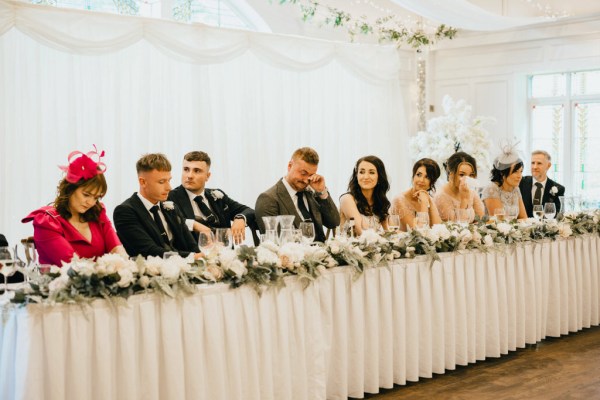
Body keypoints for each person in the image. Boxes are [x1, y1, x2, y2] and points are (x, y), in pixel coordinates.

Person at [22, 148, 127, 266]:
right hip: (59, 284)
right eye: (86, 195)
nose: (91, 203)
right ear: (70, 189)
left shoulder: (98, 213)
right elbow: (73, 266)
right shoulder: (47, 221)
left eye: (96, 197)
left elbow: (118, 252)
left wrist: (125, 268)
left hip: (101, 282)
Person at [113, 153, 202, 259]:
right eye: (161, 182)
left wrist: (202, 258)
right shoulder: (125, 211)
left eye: (169, 180)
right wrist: (193, 257)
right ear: (143, 182)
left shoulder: (171, 207)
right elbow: (149, 251)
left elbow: (191, 245)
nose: (169, 187)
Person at [168, 151, 258, 245]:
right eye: (186, 169)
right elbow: (171, 220)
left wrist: (240, 218)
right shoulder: (170, 197)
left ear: (207, 176)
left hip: (224, 254)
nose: (189, 175)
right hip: (193, 256)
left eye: (197, 171)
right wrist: (195, 225)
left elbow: (249, 211)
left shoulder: (217, 196)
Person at [255, 147, 340, 242]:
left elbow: (334, 222)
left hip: (322, 252)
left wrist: (322, 192)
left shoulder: (312, 192)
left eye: (311, 175)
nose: (306, 180)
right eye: (303, 173)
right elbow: (277, 243)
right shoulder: (268, 198)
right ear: (289, 166)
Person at [339, 155, 391, 235]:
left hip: (375, 246)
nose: (366, 177)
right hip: (351, 247)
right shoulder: (347, 199)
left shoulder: (379, 201)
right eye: (362, 172)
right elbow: (360, 232)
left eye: (371, 172)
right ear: (356, 176)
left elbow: (389, 232)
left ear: (379, 177)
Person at [435, 152, 485, 222]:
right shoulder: (441, 196)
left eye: (470, 175)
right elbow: (456, 227)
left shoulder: (470, 192)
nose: (466, 179)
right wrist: (464, 200)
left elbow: (481, 219)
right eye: (462, 175)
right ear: (450, 174)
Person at [393, 158, 442, 230]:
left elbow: (438, 230)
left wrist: (429, 201)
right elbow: (418, 234)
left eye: (427, 177)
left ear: (432, 182)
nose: (421, 180)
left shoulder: (428, 199)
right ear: (413, 176)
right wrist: (424, 204)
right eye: (419, 175)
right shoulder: (399, 200)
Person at [481, 144, 528, 219]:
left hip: (514, 230)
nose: (520, 176)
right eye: (515, 172)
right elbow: (499, 221)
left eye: (521, 171)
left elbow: (524, 218)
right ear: (503, 172)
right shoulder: (492, 189)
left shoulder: (516, 189)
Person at [519, 150, 565, 217]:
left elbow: (556, 215)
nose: (535, 167)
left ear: (548, 165)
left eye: (539, 163)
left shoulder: (559, 189)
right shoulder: (520, 183)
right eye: (532, 163)